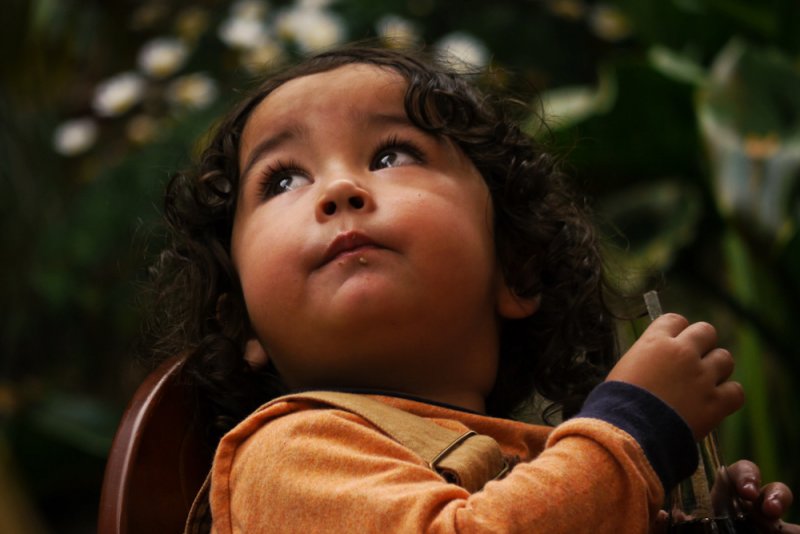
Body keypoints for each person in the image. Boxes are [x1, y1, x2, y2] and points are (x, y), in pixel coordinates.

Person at [149, 44, 796, 532]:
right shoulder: (288, 456)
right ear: (243, 329)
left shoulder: (548, 463)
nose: (338, 190)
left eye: (390, 156)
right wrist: (634, 433)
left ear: (515, 269)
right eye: (283, 180)